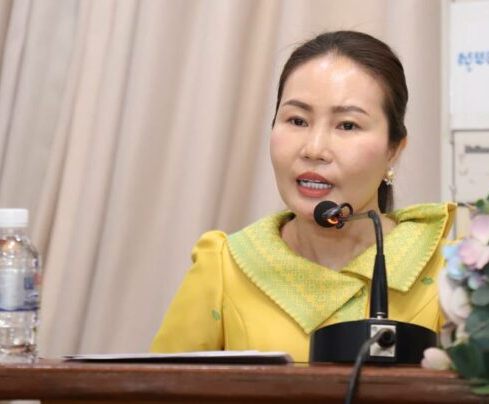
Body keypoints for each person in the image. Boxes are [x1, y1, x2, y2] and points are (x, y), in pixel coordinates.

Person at [150, 31, 455, 362]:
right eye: (297, 120)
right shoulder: (225, 267)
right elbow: (160, 386)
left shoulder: (452, 272)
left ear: (393, 150)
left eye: (347, 125)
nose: (314, 149)